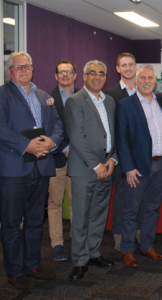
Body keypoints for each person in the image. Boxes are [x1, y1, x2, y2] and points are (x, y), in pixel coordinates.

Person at [0, 51, 63, 290]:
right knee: (12, 223)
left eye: (27, 66)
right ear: (10, 71)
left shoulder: (44, 95)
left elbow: (57, 123)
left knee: (36, 221)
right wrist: (24, 144)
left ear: (32, 69)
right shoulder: (2, 94)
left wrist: (52, 142)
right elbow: (1, 127)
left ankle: (33, 265)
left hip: (42, 166)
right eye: (18, 67)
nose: (23, 70)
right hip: (14, 169)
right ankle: (15, 271)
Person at [65, 60, 118, 281]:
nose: (97, 76)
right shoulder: (75, 101)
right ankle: (79, 260)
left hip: (107, 167)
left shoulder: (110, 101)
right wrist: (95, 165)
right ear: (84, 76)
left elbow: (113, 134)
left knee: (98, 214)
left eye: (101, 73)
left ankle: (94, 253)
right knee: (81, 216)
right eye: (92, 73)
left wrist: (113, 158)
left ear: (106, 77)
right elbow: (77, 136)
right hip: (85, 169)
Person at [116, 64, 162, 267]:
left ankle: (147, 245)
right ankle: (127, 249)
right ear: (136, 81)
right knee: (131, 210)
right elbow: (122, 140)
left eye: (150, 78)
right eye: (143, 78)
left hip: (159, 164)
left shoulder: (161, 101)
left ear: (155, 81)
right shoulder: (125, 104)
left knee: (152, 209)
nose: (147, 81)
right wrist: (128, 168)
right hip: (136, 168)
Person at [105, 52, 141, 251]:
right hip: (121, 155)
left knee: (140, 195)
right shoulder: (110, 94)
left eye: (131, 64)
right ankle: (118, 233)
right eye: (123, 65)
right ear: (118, 69)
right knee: (121, 195)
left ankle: (137, 231)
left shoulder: (144, 89)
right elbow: (110, 128)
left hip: (142, 155)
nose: (128, 68)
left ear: (135, 66)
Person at [46, 60, 80, 262]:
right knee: (55, 203)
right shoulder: (46, 98)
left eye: (69, 72)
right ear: (56, 76)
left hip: (79, 160)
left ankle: (76, 240)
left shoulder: (83, 96)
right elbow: (48, 126)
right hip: (57, 158)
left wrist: (76, 149)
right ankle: (57, 243)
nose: (65, 75)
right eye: (61, 72)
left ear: (75, 75)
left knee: (77, 202)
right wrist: (65, 147)